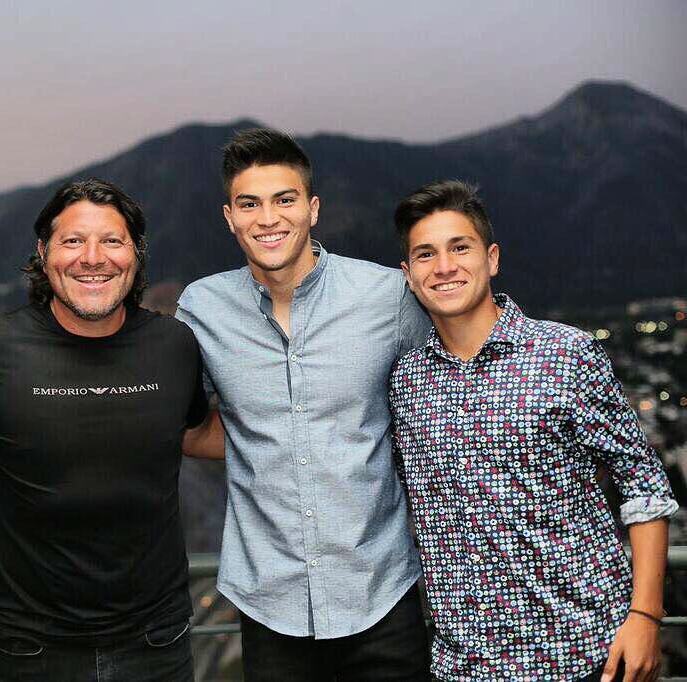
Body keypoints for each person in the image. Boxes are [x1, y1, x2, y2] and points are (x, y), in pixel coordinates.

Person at [389, 179, 678, 682]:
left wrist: (647, 616)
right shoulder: (405, 382)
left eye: (461, 247)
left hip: (586, 653)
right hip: (464, 666)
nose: (445, 266)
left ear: (492, 258)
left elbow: (645, 486)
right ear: (409, 275)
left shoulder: (568, 355)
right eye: (426, 254)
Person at [176, 128, 432, 680]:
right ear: (230, 217)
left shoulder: (387, 296)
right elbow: (180, 421)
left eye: (284, 199)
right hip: (271, 607)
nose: (268, 218)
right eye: (250, 204)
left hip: (383, 595)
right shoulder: (202, 308)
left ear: (312, 209)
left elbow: (442, 400)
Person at [0, 178, 218, 682]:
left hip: (157, 641)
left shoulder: (174, 345)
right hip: (30, 646)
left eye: (112, 241)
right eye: (73, 241)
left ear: (135, 255)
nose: (92, 257)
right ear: (43, 251)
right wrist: (16, 496)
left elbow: (192, 432)